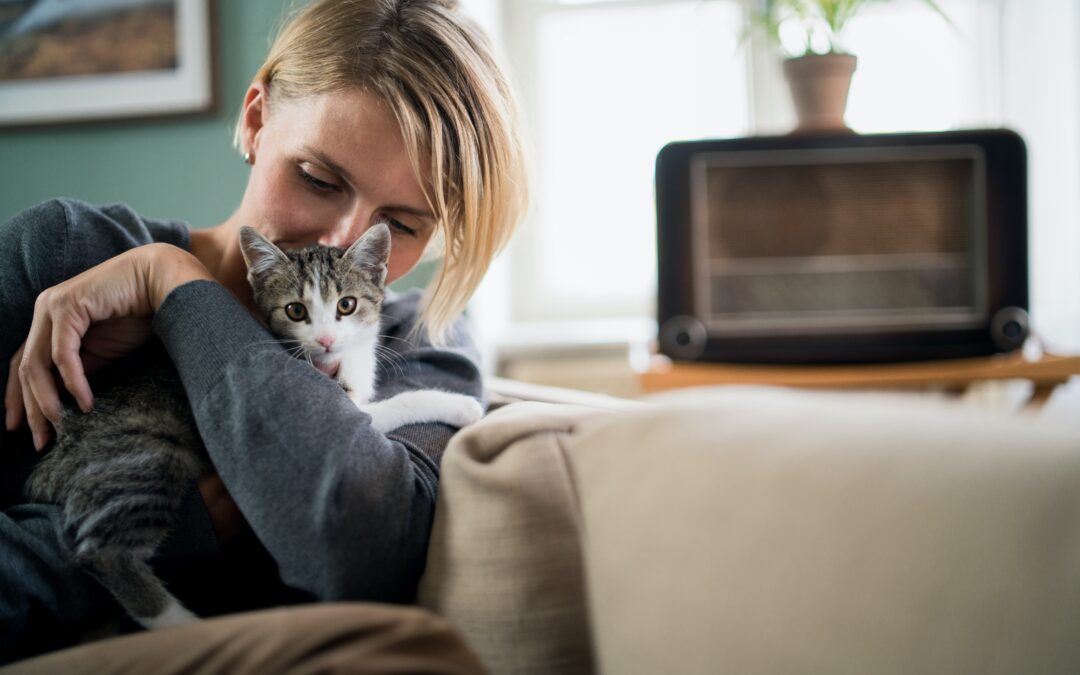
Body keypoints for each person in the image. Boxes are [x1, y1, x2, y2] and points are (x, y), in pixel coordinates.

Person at [0, 0, 526, 667]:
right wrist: (182, 525)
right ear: (255, 121)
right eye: (318, 178)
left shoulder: (422, 344)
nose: (341, 242)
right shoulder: (66, 254)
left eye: (402, 225)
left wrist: (175, 289)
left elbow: (351, 552)